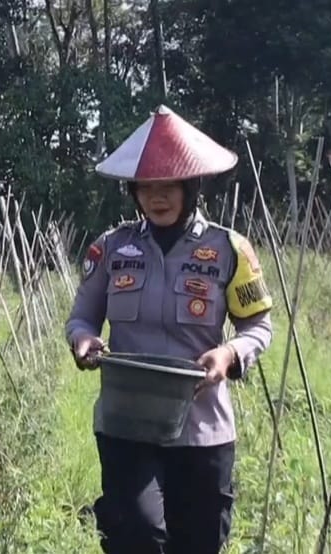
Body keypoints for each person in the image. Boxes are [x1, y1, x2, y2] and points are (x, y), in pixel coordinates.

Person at [65, 105, 274, 554]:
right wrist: (82, 340)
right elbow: (82, 316)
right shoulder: (112, 249)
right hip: (126, 423)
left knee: (198, 543)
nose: (157, 198)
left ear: (191, 187)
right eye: (147, 188)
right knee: (135, 534)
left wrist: (230, 354)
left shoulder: (229, 250)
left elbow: (258, 325)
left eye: (169, 187)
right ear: (134, 192)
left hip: (203, 431)